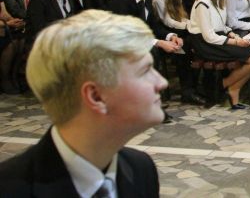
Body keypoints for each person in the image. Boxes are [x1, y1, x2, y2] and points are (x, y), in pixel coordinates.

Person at [0, 10, 163, 196]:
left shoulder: (140, 169)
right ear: (96, 96)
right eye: (145, 71)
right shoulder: (10, 189)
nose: (161, 82)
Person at [110, 0, 204, 107]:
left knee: (182, 45)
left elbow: (154, 24)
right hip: (120, 43)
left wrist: (170, 36)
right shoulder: (123, 2)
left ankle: (188, 92)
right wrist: (158, 43)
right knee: (152, 51)